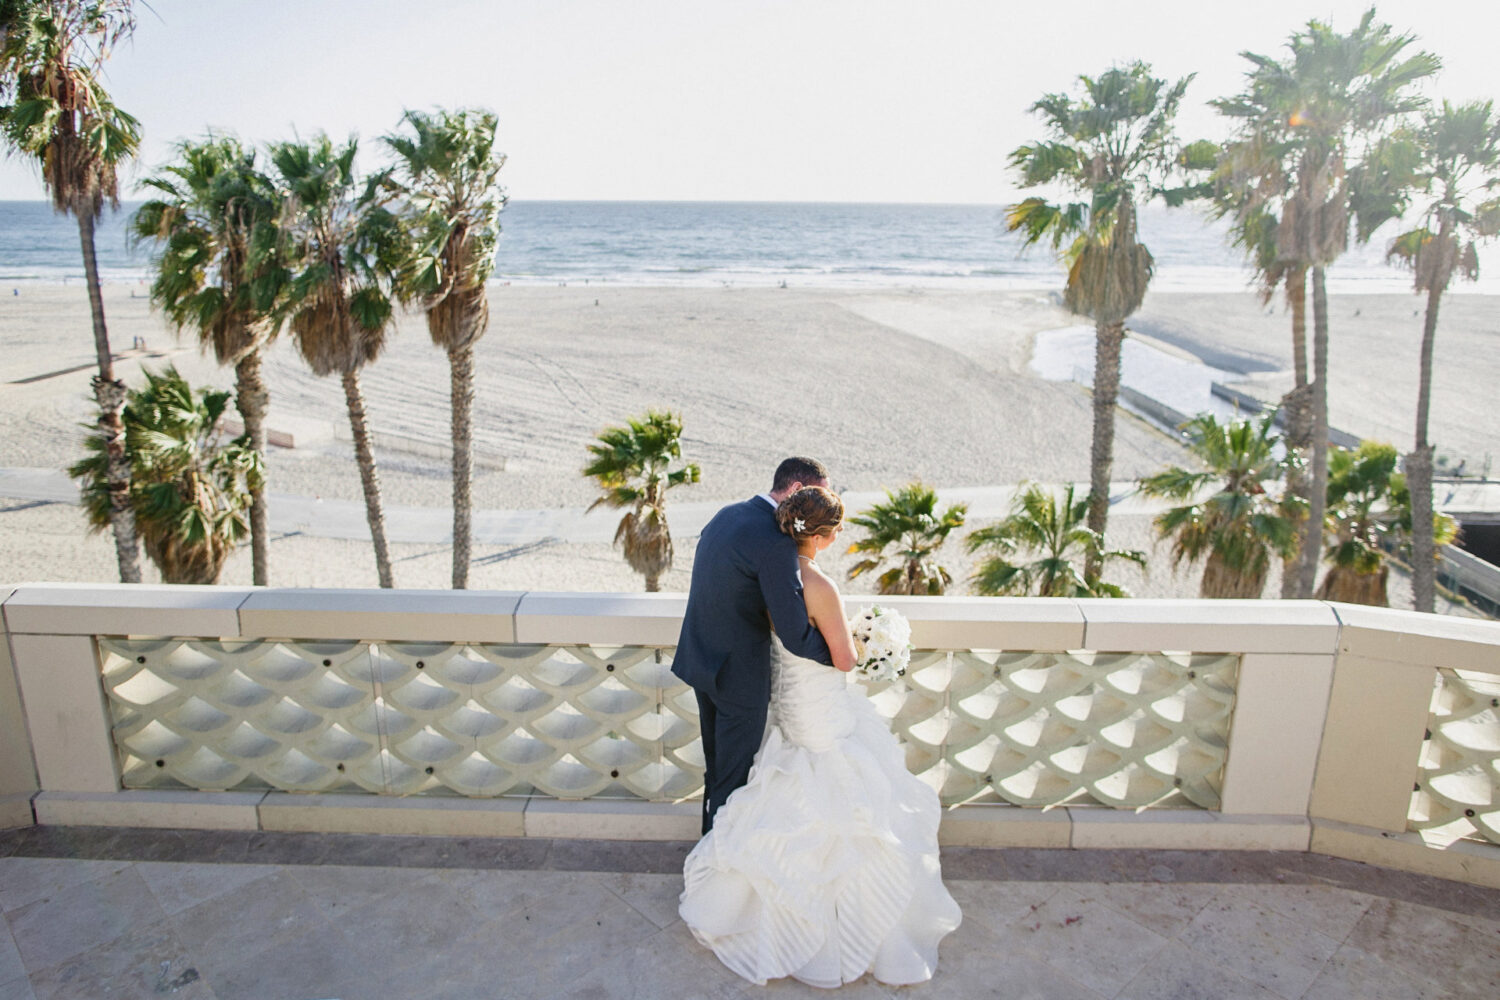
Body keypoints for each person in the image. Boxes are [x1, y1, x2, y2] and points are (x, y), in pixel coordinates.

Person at [679, 486, 962, 988]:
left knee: (773, 789)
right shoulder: (819, 585)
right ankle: (845, 921)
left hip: (788, 706)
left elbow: (787, 632)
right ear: (827, 536)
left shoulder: (777, 579)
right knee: (853, 799)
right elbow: (844, 658)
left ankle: (742, 890)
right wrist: (867, 645)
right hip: (820, 709)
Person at [673, 456, 834, 835]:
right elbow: (795, 634)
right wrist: (840, 656)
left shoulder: (726, 515)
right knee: (734, 779)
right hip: (737, 678)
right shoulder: (775, 541)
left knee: (717, 770)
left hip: (701, 661)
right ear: (796, 490)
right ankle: (717, 873)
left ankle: (707, 847)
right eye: (818, 494)